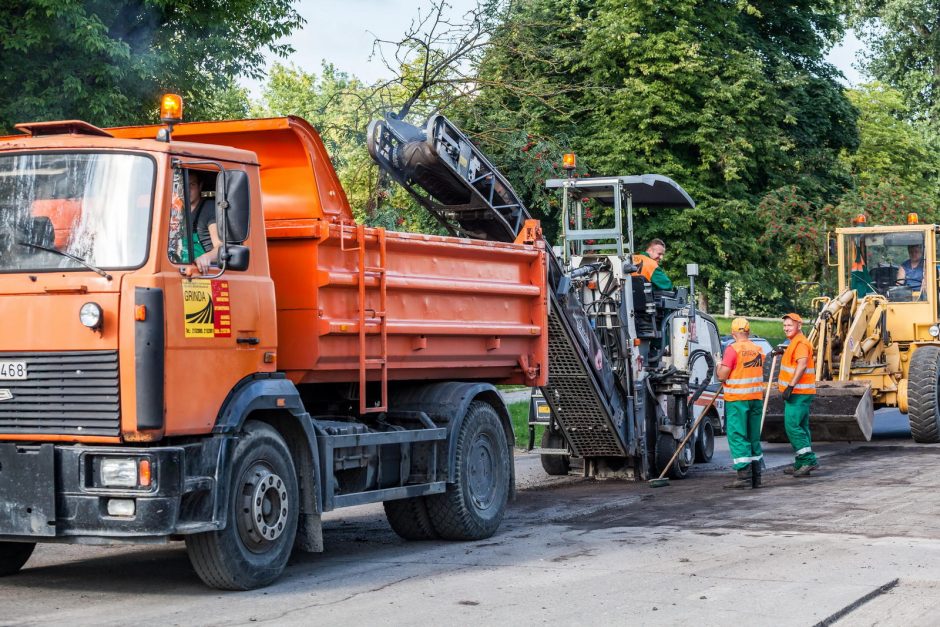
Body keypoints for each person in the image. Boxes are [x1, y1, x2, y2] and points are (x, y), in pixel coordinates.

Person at [717, 317, 765, 489]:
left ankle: (743, 477)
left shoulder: (732, 350)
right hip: (755, 399)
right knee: (753, 437)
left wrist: (718, 365)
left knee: (738, 436)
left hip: (737, 400)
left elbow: (722, 375)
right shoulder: (758, 349)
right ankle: (755, 478)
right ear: (748, 332)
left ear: (733, 333)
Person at [775, 313, 819, 477]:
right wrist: (782, 351)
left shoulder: (800, 343)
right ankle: (802, 462)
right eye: (785, 325)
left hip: (798, 393)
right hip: (801, 392)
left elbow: (801, 366)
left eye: (790, 325)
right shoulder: (795, 342)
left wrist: (790, 386)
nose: (786, 328)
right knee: (801, 427)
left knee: (792, 427)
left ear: (799, 326)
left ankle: (808, 460)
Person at [187, 174, 222, 275]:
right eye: (184, 185)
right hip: (185, 268)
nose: (187, 189)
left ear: (200, 186)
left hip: (205, 271)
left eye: (192, 185)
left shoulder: (209, 208)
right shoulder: (178, 211)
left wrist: (206, 257)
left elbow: (220, 246)